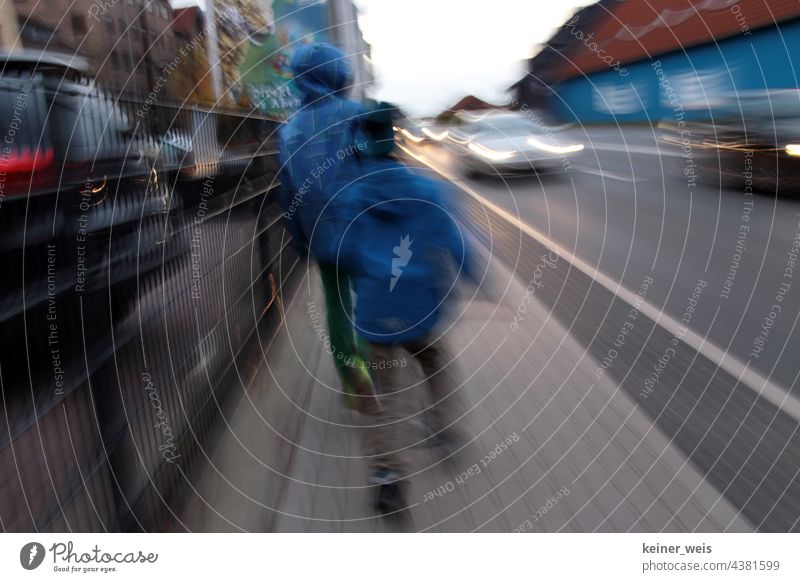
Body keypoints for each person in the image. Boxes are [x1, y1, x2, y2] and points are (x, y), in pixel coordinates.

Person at [336, 103, 475, 514]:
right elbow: (453, 242)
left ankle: (388, 477)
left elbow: (342, 251)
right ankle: (443, 428)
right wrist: (474, 277)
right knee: (434, 360)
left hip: (378, 311)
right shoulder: (427, 190)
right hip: (422, 306)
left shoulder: (353, 197)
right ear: (394, 141)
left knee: (384, 394)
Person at [276, 43, 375, 412]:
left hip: (321, 233)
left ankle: (351, 379)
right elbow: (377, 167)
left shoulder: (289, 132)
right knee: (369, 299)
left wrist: (301, 243)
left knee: (336, 306)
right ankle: (368, 364)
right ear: (338, 74)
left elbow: (287, 194)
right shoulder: (356, 114)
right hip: (363, 227)